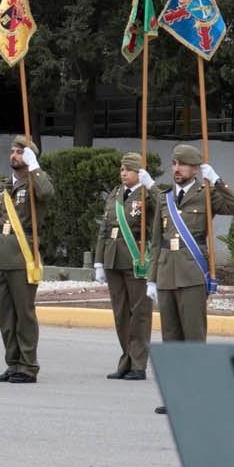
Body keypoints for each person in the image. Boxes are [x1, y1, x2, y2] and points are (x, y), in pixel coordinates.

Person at [151, 142, 234, 347]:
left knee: (194, 335)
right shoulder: (164, 198)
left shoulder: (206, 194)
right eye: (174, 163)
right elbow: (156, 241)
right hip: (166, 274)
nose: (176, 169)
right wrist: (152, 278)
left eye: (182, 164)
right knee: (170, 336)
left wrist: (217, 180)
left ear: (196, 169)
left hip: (193, 274)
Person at [0, 134, 51, 383]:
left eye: (19, 152)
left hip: (23, 255)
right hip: (1, 255)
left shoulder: (35, 183)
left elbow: (46, 193)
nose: (14, 155)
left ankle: (28, 365)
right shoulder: (3, 186)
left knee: (24, 313)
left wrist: (35, 166)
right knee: (5, 315)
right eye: (13, 151)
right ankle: (13, 363)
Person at [93, 153, 155, 380]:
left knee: (139, 313)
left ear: (139, 172)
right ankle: (126, 359)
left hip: (135, 258)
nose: (123, 174)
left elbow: (161, 212)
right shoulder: (115, 193)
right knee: (120, 313)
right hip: (113, 257)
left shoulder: (147, 195)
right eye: (122, 170)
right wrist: (99, 260)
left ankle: (139, 363)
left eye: (128, 170)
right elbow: (104, 227)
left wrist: (152, 186)